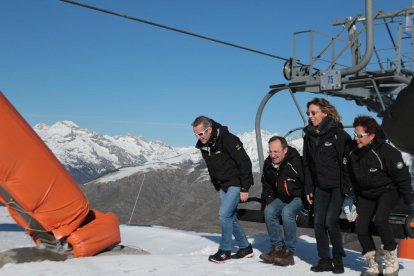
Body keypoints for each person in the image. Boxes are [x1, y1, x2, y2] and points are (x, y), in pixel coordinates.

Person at [342, 115, 414, 276]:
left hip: (387, 190)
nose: (356, 139)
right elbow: (348, 177)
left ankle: (391, 259)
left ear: (372, 135)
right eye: (355, 134)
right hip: (366, 193)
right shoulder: (354, 153)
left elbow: (402, 177)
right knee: (360, 227)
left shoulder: (387, 152)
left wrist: (410, 202)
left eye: (360, 135)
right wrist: (349, 197)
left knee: (381, 219)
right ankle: (373, 263)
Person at [192, 115, 254, 263]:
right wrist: (216, 183)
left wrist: (245, 187)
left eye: (200, 133)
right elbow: (211, 166)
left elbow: (244, 162)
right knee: (231, 217)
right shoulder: (204, 144)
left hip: (235, 182)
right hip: (223, 184)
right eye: (195, 134)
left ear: (209, 129)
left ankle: (225, 251)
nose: (198, 137)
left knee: (224, 215)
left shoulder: (227, 139)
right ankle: (245, 248)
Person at [302, 98, 352, 274]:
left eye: (313, 112)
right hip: (320, 187)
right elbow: (307, 164)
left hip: (337, 186)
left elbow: (347, 164)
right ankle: (324, 260)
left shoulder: (339, 135)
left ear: (324, 112)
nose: (310, 116)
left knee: (331, 222)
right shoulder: (309, 135)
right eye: (308, 113)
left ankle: (337, 258)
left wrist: (348, 190)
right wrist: (309, 188)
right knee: (318, 223)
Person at [258, 136, 304, 266]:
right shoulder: (269, 165)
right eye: (270, 151)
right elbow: (267, 187)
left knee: (287, 212)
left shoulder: (296, 162)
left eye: (276, 152)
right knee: (269, 211)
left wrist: (308, 206)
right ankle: (277, 248)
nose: (272, 155)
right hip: (284, 197)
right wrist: (267, 202)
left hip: (299, 196)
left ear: (285, 150)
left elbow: (308, 183)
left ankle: (289, 251)